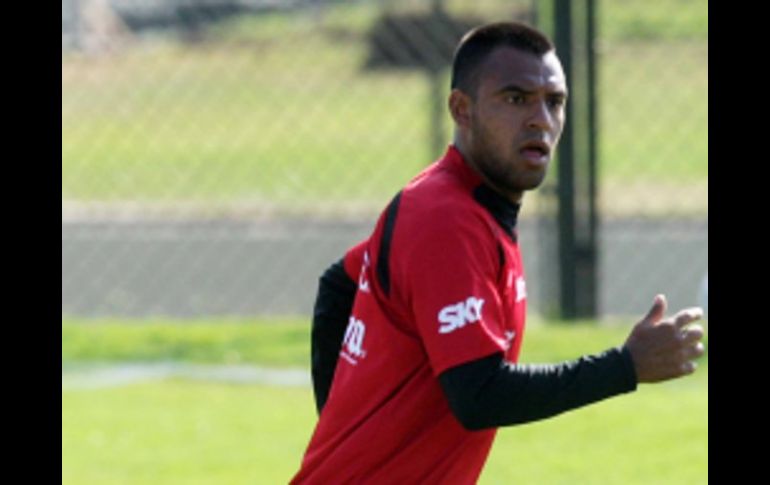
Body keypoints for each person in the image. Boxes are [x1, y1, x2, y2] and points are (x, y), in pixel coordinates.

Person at [291, 21, 705, 484]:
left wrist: (349, 436)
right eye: (515, 98)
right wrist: (624, 367)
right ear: (461, 109)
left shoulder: (458, 206)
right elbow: (480, 394)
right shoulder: (445, 218)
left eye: (554, 102)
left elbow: (340, 283)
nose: (540, 119)